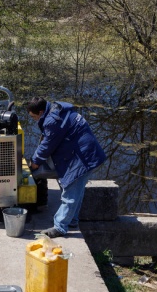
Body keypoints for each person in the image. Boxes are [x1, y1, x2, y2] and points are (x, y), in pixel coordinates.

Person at [26, 97, 106, 238]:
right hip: (88, 153)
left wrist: (35, 161)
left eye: (34, 117)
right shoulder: (56, 111)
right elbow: (50, 138)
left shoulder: (53, 121)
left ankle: (60, 227)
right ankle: (72, 220)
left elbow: (47, 145)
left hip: (83, 158)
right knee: (76, 190)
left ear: (40, 111)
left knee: (70, 192)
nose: (34, 120)